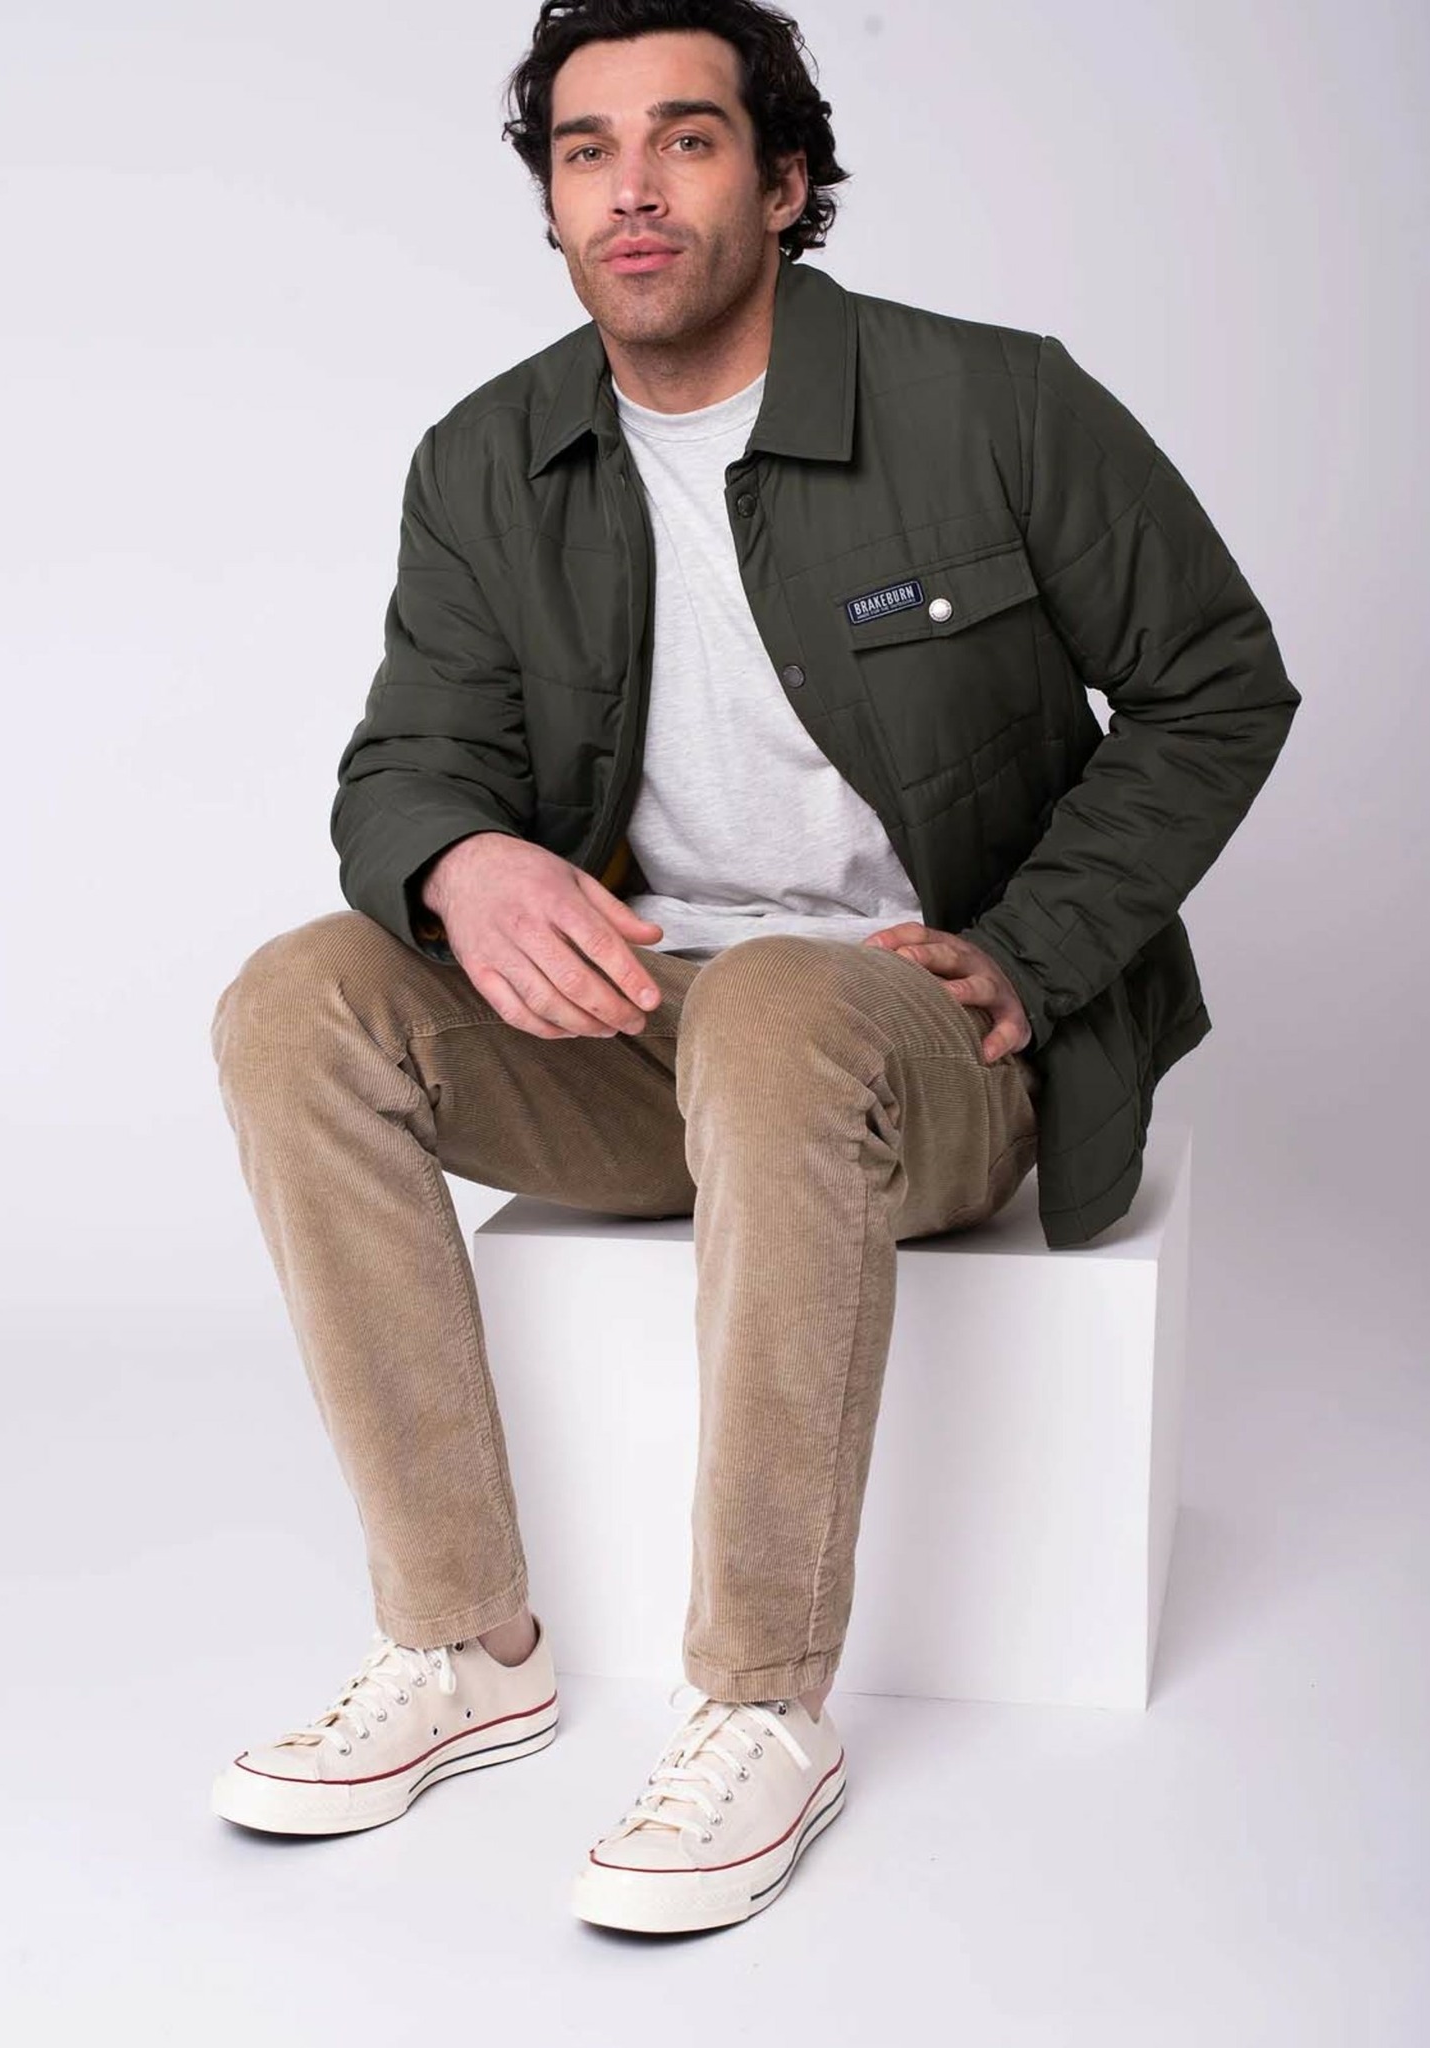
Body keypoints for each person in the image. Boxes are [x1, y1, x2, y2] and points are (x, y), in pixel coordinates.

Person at [207, 0, 1299, 1935]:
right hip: (647, 1035)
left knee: (788, 1004)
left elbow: (1218, 681)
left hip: (925, 1043)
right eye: (586, 151)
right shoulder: (488, 459)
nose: (631, 189)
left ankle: (763, 1704)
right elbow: (408, 761)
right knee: (297, 1001)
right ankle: (466, 1645)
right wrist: (459, 860)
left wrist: (1034, 952)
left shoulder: (995, 403)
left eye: (687, 140)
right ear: (551, 200)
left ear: (785, 183)